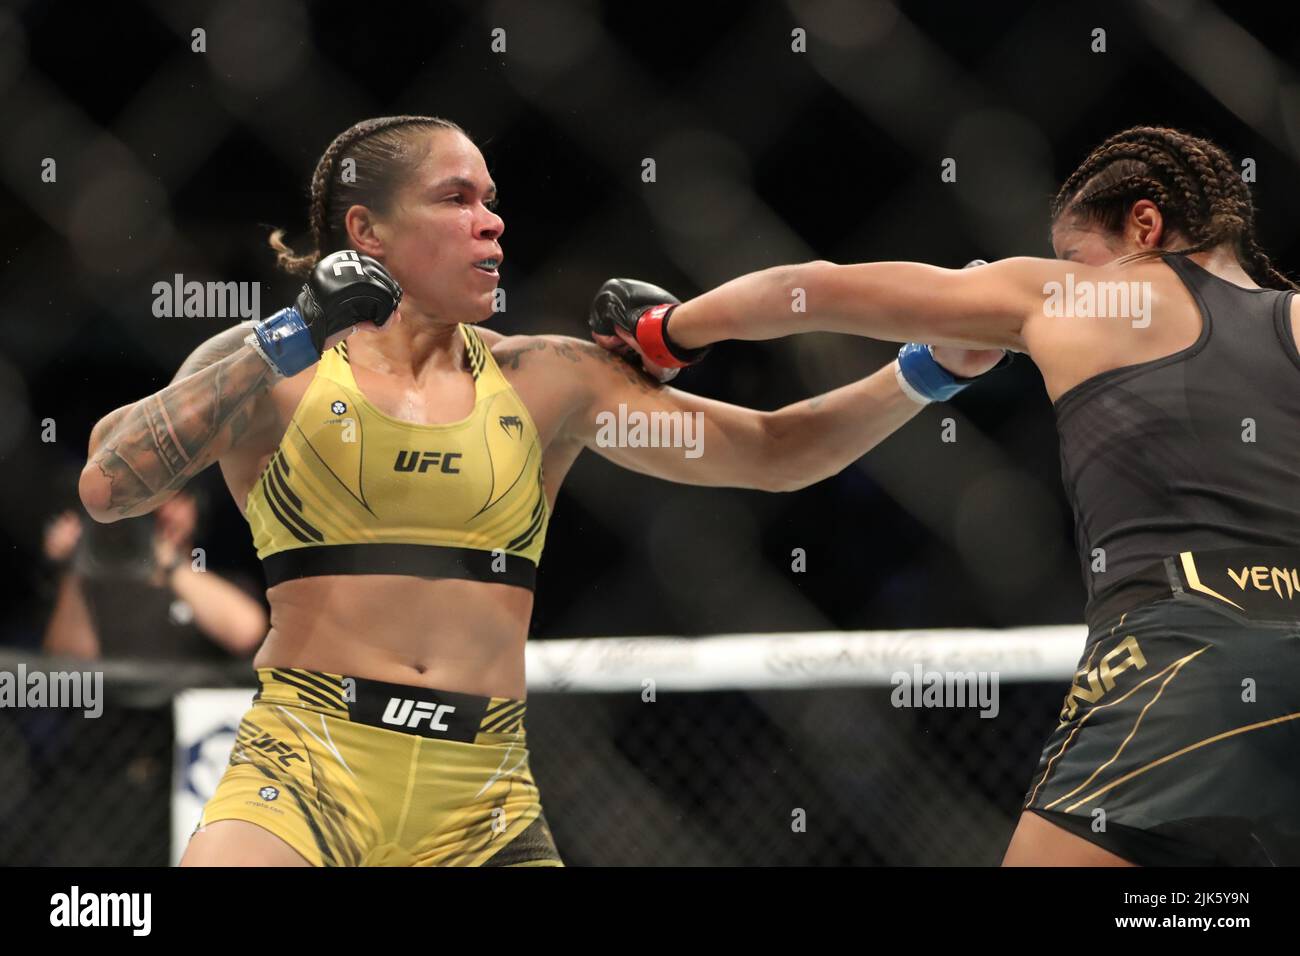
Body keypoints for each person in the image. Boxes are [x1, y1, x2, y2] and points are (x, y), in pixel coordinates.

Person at [78, 115, 1002, 867]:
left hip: (483, 793)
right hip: (305, 762)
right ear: (367, 232)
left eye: (491, 200)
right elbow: (110, 483)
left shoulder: (548, 381)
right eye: (456, 199)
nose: (492, 222)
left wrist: (927, 371)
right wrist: (283, 336)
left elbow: (773, 453)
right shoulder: (272, 370)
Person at [593, 125, 1300, 866]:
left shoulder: (1071, 294)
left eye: (1074, 252)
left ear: (1144, 224)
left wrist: (667, 330)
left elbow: (809, 288)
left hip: (1186, 651)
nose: (1069, 271)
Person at [43, 491, 267, 661]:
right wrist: (75, 566)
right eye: (151, 504)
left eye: (175, 498)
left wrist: (168, 562)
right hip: (120, 716)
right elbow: (66, 661)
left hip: (198, 717)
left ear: (195, 508)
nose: (164, 511)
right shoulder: (102, 591)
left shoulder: (228, 584)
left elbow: (248, 634)